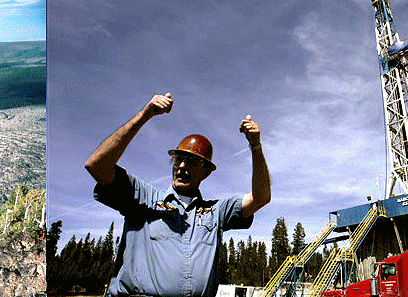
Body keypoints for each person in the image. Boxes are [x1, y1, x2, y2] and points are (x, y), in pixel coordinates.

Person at [84, 92, 271, 297]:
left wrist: (255, 146)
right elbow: (96, 165)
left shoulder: (215, 211)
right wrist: (144, 116)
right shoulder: (142, 197)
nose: (181, 166)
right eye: (178, 159)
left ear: (206, 171)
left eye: (191, 161)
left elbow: (260, 197)